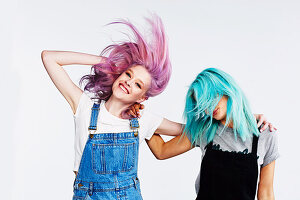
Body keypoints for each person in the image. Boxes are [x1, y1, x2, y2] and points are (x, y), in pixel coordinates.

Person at [41, 14, 273, 199]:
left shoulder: (142, 119)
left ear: (142, 98)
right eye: (128, 74)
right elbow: (49, 57)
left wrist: (239, 116)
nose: (128, 82)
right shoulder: (84, 106)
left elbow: (191, 128)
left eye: (138, 84)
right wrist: (109, 62)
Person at [144, 68, 279, 200]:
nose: (209, 107)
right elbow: (161, 151)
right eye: (203, 104)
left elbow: (266, 194)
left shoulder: (265, 134)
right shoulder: (205, 129)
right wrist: (140, 119)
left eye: (212, 97)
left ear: (227, 90)